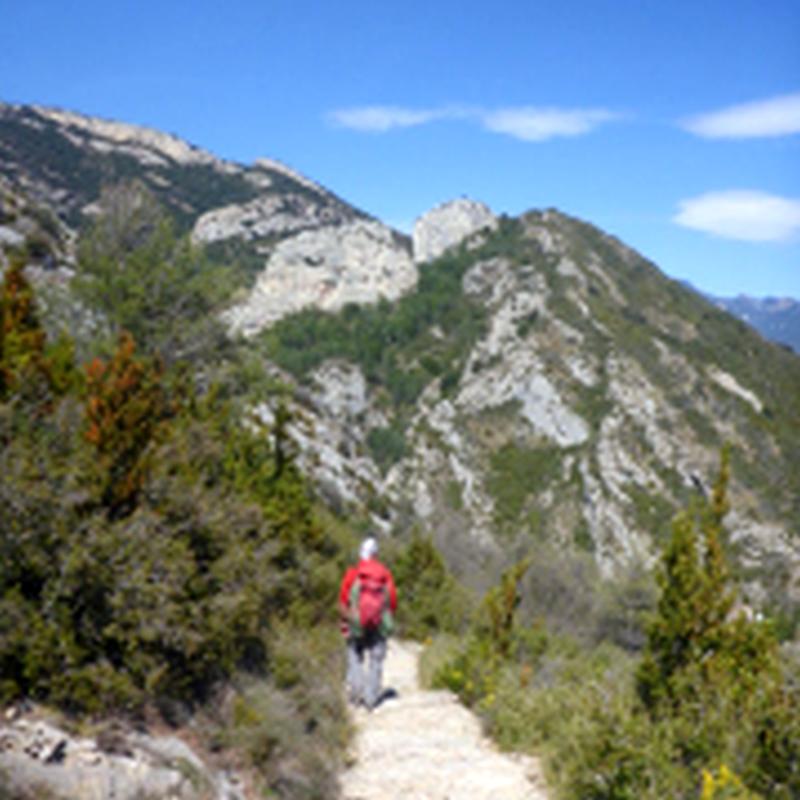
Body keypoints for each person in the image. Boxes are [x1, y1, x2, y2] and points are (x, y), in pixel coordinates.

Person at [339, 536, 397, 710]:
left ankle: (357, 692)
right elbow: (392, 601)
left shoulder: (353, 573)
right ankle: (371, 698)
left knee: (355, 655)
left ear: (361, 554)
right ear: (376, 554)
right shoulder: (385, 575)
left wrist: (346, 622)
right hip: (378, 624)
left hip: (356, 622)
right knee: (376, 660)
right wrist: (384, 620)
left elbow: (343, 601)